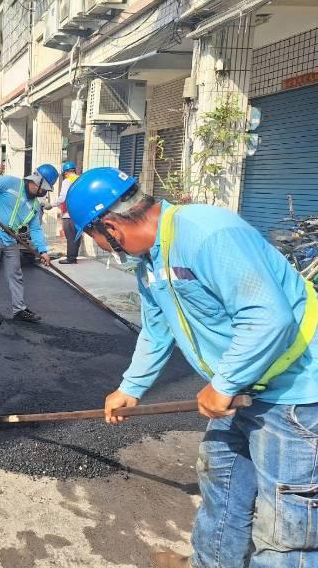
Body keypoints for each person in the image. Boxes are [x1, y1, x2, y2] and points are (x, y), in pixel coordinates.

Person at [65, 167, 318, 568]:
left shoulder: (206, 232)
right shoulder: (149, 260)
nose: (103, 248)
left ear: (110, 226)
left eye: (96, 238)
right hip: (238, 390)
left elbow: (269, 317)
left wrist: (225, 382)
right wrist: (131, 388)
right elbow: (156, 329)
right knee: (222, 480)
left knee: (286, 527)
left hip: (294, 395)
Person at [0, 164, 57, 325]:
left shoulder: (35, 205)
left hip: (10, 239)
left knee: (16, 274)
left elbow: (35, 228)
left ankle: (19, 310)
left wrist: (43, 251)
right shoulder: (9, 182)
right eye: (44, 189)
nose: (44, 193)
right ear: (36, 182)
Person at [50, 161, 81, 264]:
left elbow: (63, 198)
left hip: (69, 213)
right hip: (79, 213)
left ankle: (71, 258)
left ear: (66, 172)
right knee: (76, 235)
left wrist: (51, 205)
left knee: (70, 236)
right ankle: (74, 256)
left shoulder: (67, 181)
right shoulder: (80, 179)